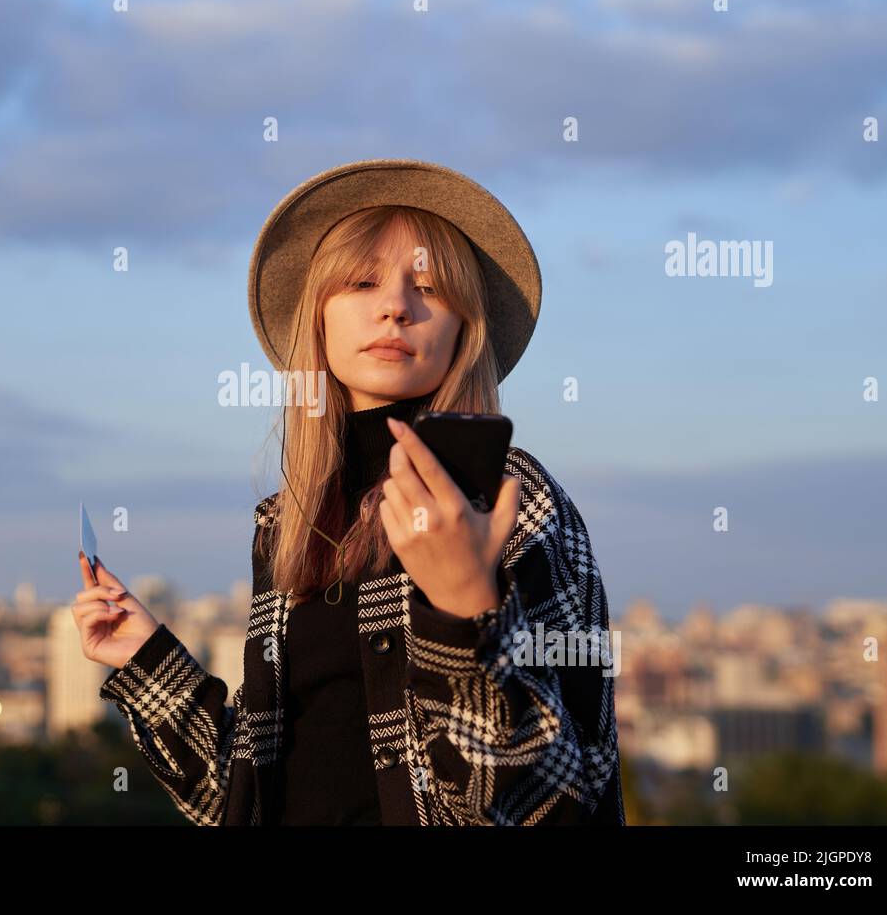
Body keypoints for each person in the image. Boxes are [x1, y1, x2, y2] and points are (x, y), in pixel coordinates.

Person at [72, 158, 624, 825]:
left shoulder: (510, 499)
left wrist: (463, 610)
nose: (395, 306)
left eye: (429, 288)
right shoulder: (289, 521)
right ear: (321, 317)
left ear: (463, 331)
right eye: (362, 283)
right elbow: (244, 796)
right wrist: (147, 658)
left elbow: (544, 803)